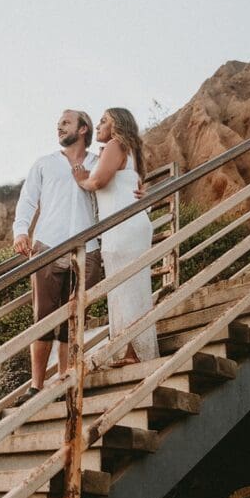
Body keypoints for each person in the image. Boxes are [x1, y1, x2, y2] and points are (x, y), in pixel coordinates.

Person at [12, 110, 103, 403]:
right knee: (44, 317)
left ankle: (66, 378)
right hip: (48, 246)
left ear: (83, 128)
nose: (59, 127)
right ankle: (36, 386)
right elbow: (28, 199)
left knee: (74, 317)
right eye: (58, 124)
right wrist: (20, 232)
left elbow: (115, 193)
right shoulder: (45, 163)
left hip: (87, 248)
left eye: (66, 123)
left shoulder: (98, 163)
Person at [73, 107, 158, 366]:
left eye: (103, 121)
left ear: (117, 126)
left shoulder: (115, 144)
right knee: (132, 287)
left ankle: (132, 352)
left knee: (125, 287)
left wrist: (81, 179)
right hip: (130, 226)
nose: (99, 125)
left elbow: (98, 182)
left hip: (122, 229)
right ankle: (130, 350)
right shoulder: (129, 151)